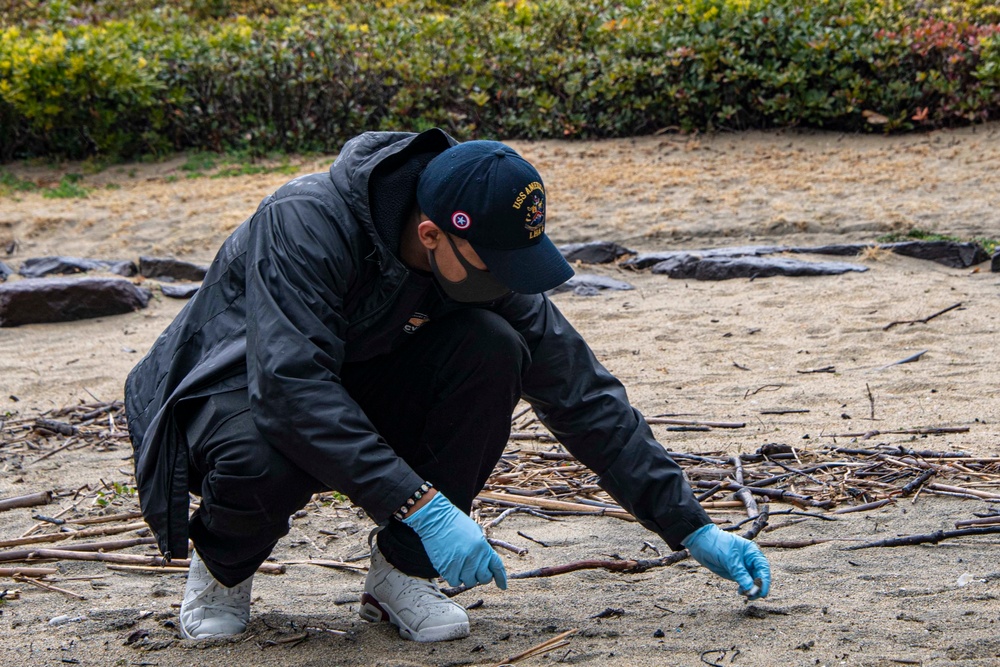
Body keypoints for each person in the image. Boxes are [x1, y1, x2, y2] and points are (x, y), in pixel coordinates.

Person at [124, 129, 771, 643]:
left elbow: (579, 389)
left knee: (492, 347)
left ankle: (401, 576)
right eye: (498, 270)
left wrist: (691, 526)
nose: (508, 284)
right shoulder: (306, 222)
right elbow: (291, 386)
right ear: (432, 234)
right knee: (265, 453)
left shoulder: (474, 250)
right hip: (225, 390)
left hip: (353, 376)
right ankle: (223, 572)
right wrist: (423, 504)